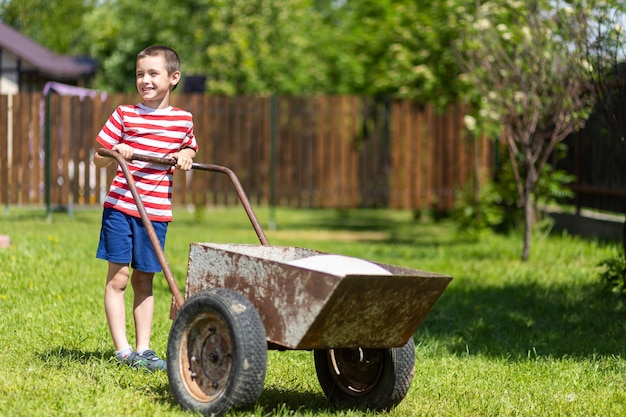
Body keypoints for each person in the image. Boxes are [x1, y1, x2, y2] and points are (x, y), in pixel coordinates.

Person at [94, 45, 198, 371]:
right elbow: (98, 156)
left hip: (155, 213)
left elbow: (189, 149)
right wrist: (116, 151)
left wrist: (186, 156)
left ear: (173, 78)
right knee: (119, 278)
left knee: (144, 280)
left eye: (153, 73)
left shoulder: (183, 120)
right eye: (140, 74)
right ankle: (123, 351)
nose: (145, 80)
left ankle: (144, 350)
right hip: (121, 207)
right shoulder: (125, 114)